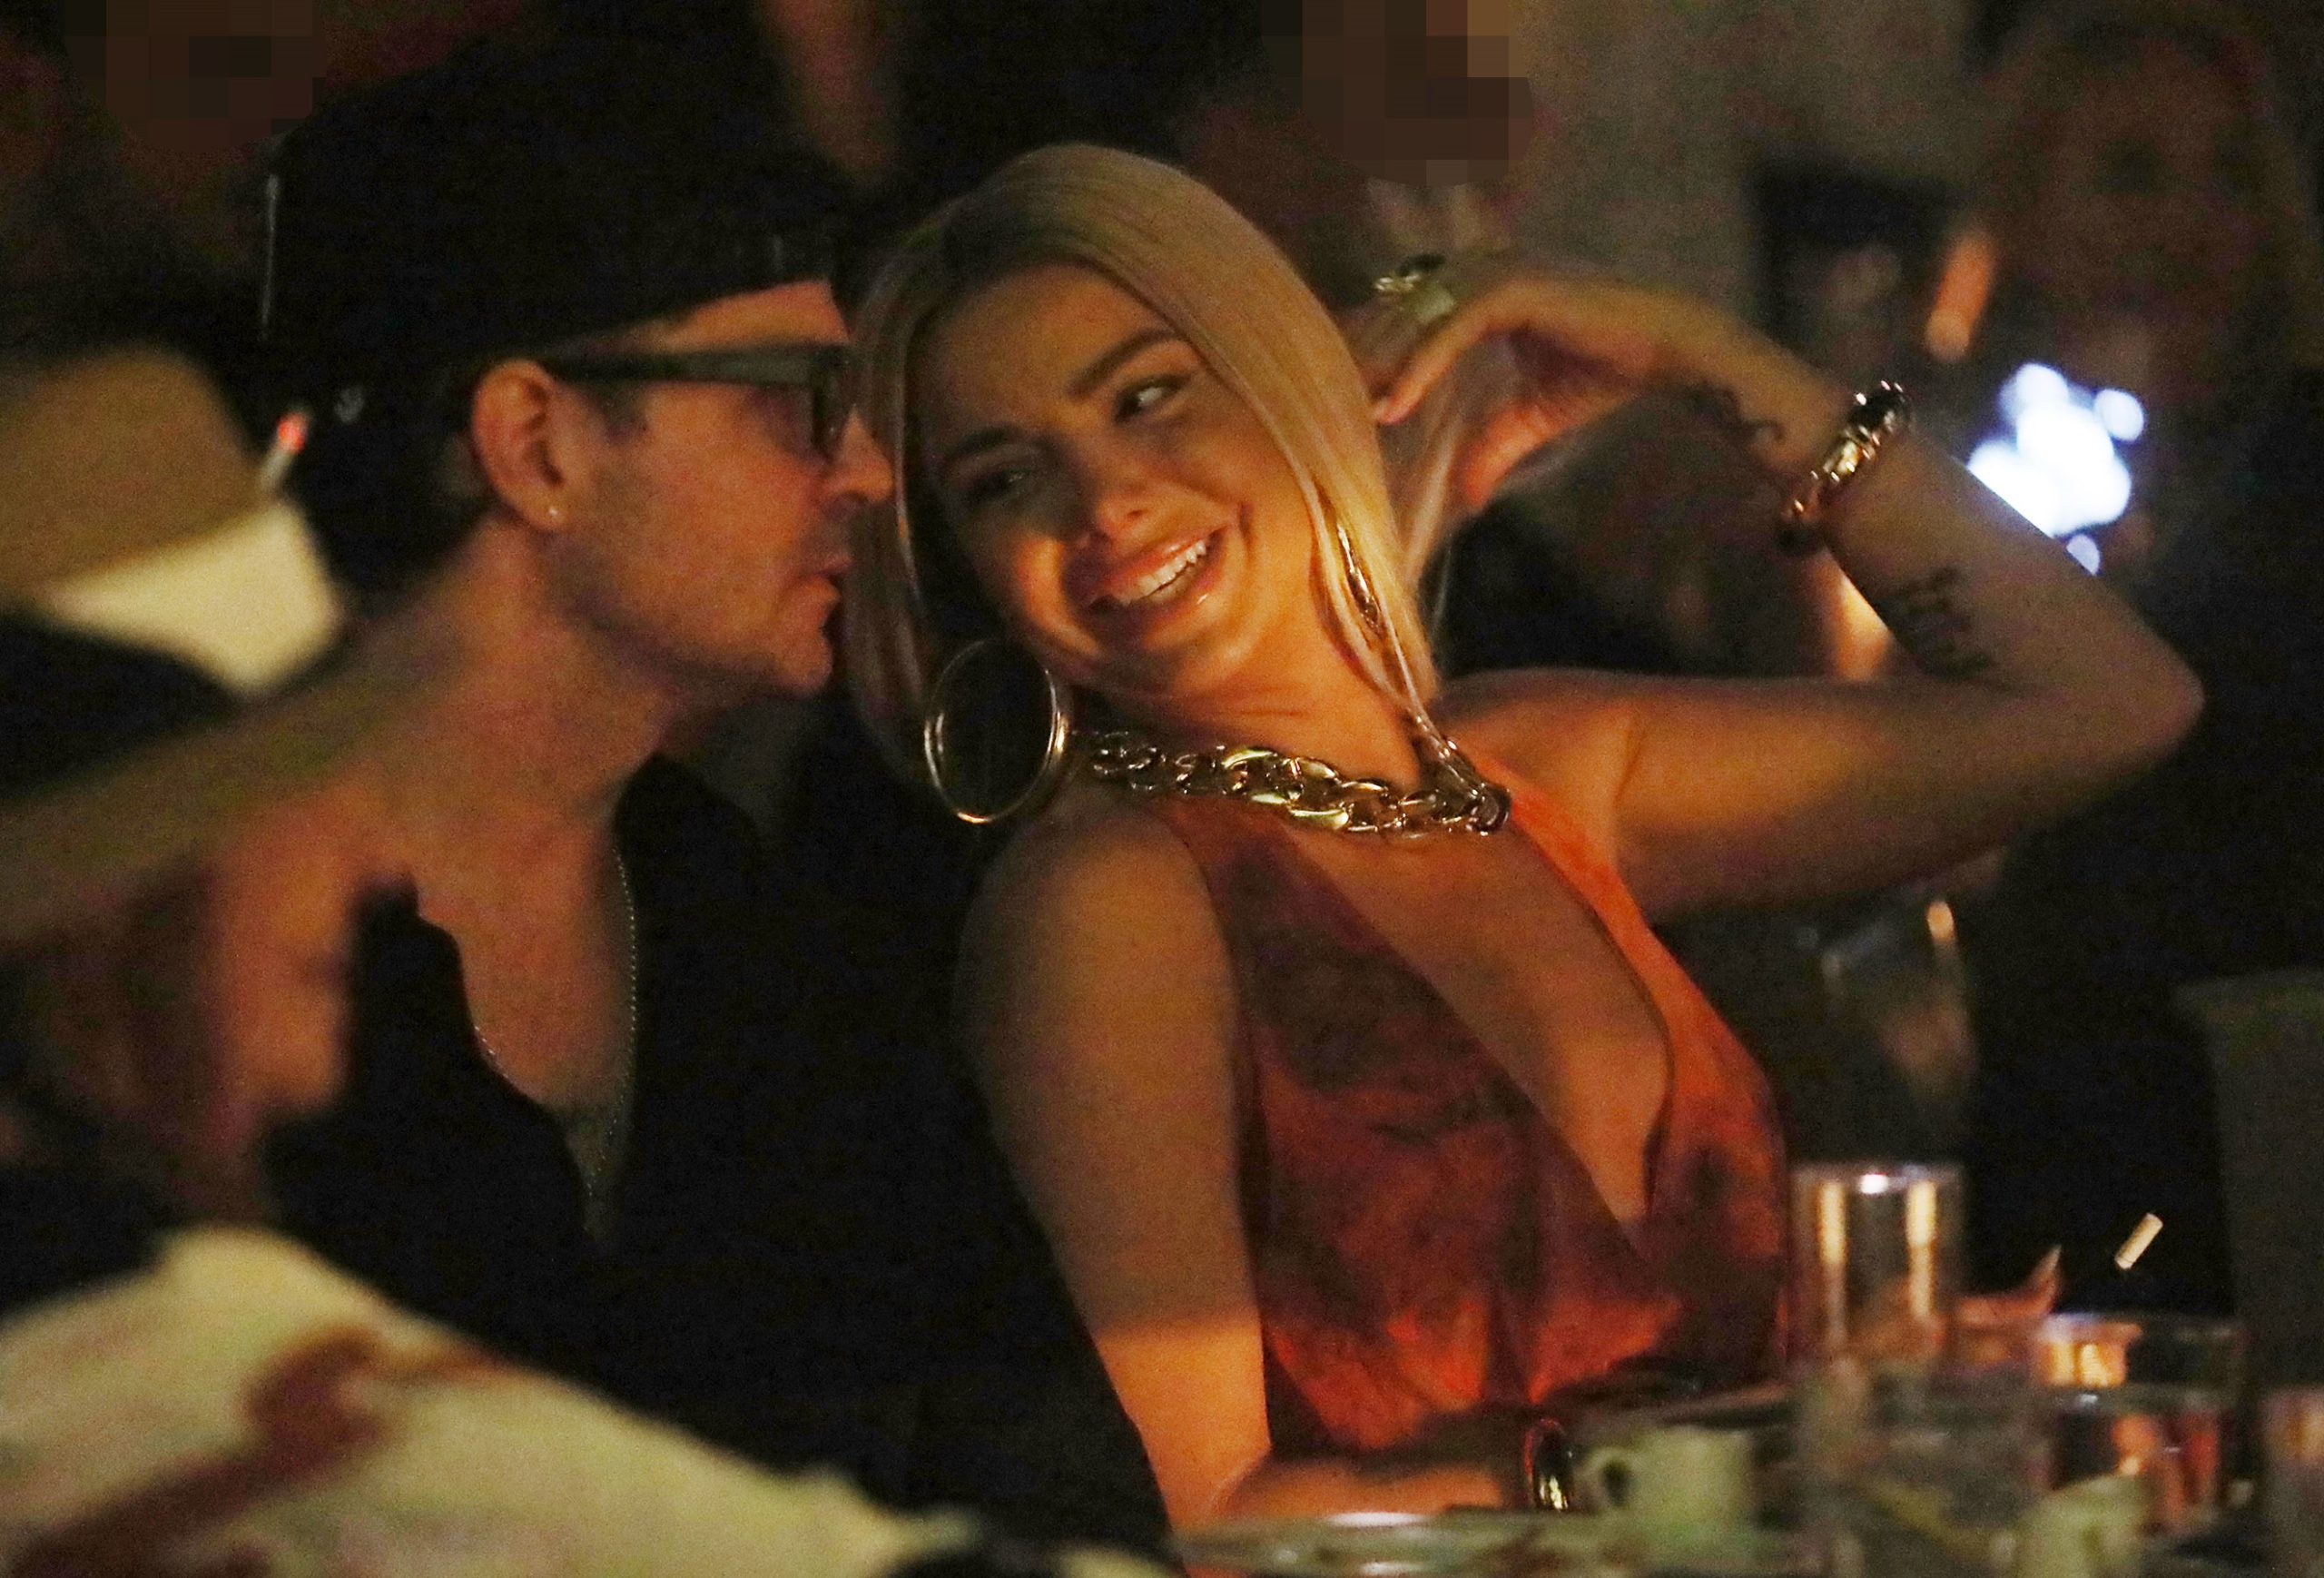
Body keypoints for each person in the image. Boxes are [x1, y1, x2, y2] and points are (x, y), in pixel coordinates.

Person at [840, 143, 2200, 1525]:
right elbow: (1201, 1515)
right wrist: (1713, 1466)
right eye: (1003, 481)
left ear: (1285, 377)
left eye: (1147, 397)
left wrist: (1696, 356)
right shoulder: (1110, 902)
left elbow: (2108, 704)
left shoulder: (1541, 771)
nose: (1104, 502)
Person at [0, 348, 1159, 1578]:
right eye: (292, 781)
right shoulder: (159, 1377)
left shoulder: (755, 928)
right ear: (118, 894)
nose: (366, 856)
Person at [254, 37, 1167, 1551]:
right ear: (536, 444)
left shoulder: (757, 936)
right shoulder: (188, 949)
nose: (869, 471)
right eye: (801, 400)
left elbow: (1034, 1451)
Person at [1943, 0, 2324, 1309]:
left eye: (2231, 175)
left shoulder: (2294, 474)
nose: (2191, 226)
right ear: (2029, 203)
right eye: (2132, 173)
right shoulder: (1944, 483)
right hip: (2075, 1101)